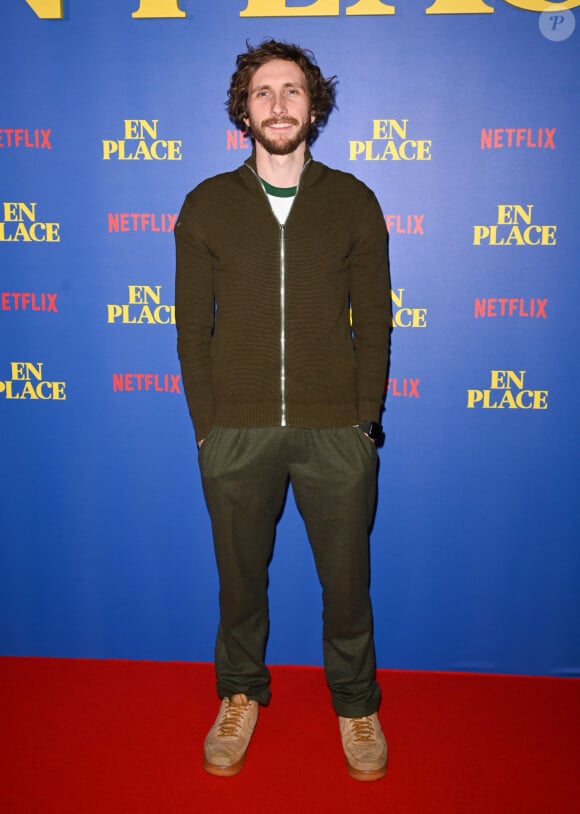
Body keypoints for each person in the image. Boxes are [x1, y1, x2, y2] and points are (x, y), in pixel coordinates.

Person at [174, 39, 391, 782]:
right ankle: (238, 695)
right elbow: (189, 331)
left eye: (293, 91)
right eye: (263, 92)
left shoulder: (354, 201)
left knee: (347, 586)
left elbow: (376, 323)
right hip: (236, 434)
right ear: (244, 108)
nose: (278, 105)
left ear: (313, 106)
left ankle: (357, 704)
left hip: (335, 434)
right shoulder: (205, 205)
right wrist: (209, 427)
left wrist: (365, 424)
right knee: (239, 585)